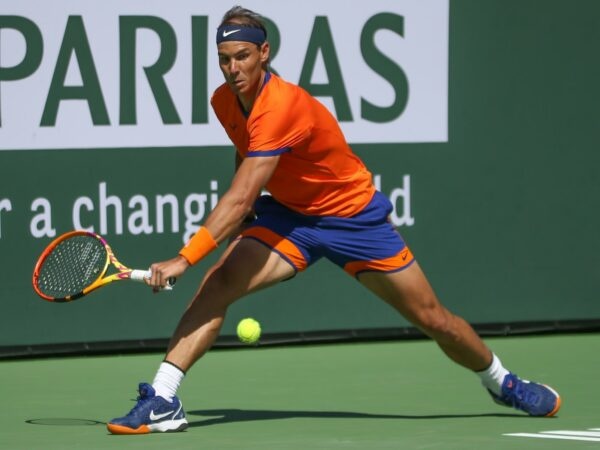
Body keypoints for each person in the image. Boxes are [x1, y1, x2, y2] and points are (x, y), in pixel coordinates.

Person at [106, 5, 561, 435]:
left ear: (264, 53)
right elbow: (245, 164)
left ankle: (503, 383)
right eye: (223, 59)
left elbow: (243, 191)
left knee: (432, 318)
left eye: (242, 56)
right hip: (290, 217)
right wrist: (244, 218)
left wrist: (185, 257)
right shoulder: (225, 101)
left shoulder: (283, 105)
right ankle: (164, 398)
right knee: (221, 282)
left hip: (352, 216)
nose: (232, 68)